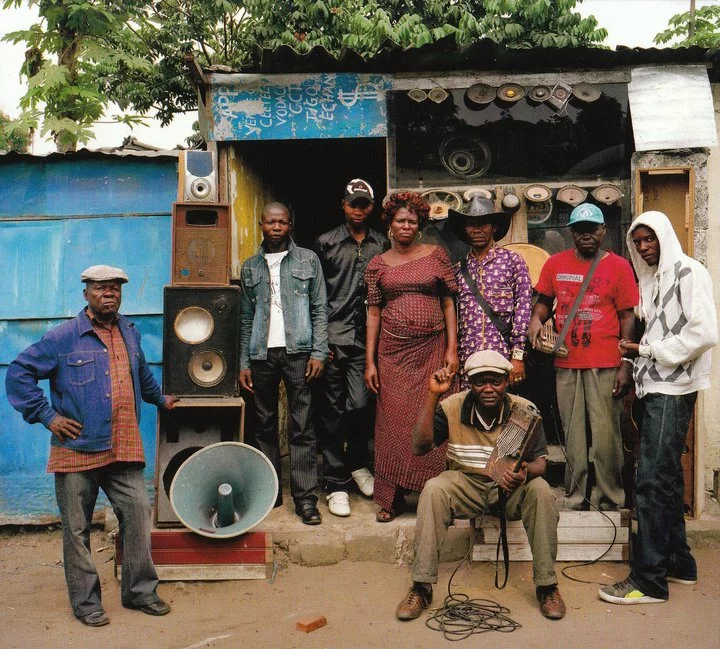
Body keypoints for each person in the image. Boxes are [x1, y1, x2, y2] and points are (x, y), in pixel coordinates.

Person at [5, 265, 176, 627]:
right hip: (76, 448)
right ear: (86, 294)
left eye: (115, 288)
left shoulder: (130, 332)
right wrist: (48, 416)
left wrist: (161, 399)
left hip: (122, 446)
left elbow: (142, 375)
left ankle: (139, 592)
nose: (109, 293)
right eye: (101, 288)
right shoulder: (64, 337)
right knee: (77, 529)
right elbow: (18, 373)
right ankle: (86, 603)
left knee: (137, 515)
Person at [599, 211, 718, 605]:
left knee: (650, 480)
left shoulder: (688, 272)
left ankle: (648, 581)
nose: (644, 247)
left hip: (673, 388)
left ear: (665, 237)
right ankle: (679, 563)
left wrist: (648, 351)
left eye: (650, 239)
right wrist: (637, 360)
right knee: (666, 478)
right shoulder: (651, 279)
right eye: (638, 242)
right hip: (656, 386)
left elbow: (704, 333)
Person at [395, 350, 565, 621]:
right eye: (479, 382)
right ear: (469, 383)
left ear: (507, 381)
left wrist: (523, 472)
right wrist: (432, 395)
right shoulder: (452, 406)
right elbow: (419, 447)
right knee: (434, 489)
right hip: (467, 485)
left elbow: (541, 464)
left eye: (495, 381)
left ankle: (547, 586)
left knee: (541, 490)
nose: (488, 389)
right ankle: (421, 586)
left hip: (509, 489)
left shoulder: (523, 410)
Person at [528, 203, 638, 511]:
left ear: (603, 231)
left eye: (592, 229)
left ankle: (610, 499)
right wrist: (535, 321)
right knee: (573, 436)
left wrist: (626, 363)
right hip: (566, 362)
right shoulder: (555, 264)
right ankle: (576, 498)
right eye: (579, 230)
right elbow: (544, 301)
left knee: (605, 437)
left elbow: (628, 316)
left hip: (606, 362)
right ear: (571, 233)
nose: (586, 235)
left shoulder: (619, 267)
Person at [364, 191, 458, 522]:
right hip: (392, 356)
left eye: (413, 221)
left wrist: (451, 348)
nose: (406, 226)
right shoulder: (377, 264)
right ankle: (391, 499)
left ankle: (438, 496)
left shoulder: (436, 256)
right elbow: (373, 313)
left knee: (435, 419)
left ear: (420, 226)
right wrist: (370, 361)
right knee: (392, 424)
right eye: (401, 220)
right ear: (390, 225)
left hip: (432, 351)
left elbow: (449, 303)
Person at [238, 202, 328, 525]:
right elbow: (245, 317)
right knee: (263, 424)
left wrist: (318, 352)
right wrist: (243, 362)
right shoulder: (250, 267)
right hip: (261, 355)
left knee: (302, 425)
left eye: (283, 222)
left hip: (298, 352)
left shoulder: (308, 259)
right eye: (271, 222)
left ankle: (305, 500)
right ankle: (270, 493)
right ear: (261, 224)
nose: (276, 227)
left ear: (291, 225)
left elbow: (320, 308)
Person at [312, 179, 386, 517]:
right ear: (343, 205)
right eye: (353, 204)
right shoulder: (326, 242)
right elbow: (314, 296)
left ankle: (357, 464)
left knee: (360, 405)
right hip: (332, 337)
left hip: (364, 340)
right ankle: (335, 482)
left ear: (371, 208)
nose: (358, 210)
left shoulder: (381, 243)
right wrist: (319, 341)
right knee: (332, 413)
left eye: (364, 204)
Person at [447, 196, 532, 387]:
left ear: (494, 227)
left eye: (483, 223)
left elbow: (524, 309)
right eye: (471, 224)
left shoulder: (513, 261)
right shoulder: (458, 270)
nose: (477, 230)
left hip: (504, 357)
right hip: (469, 358)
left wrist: (518, 356)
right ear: (464, 229)